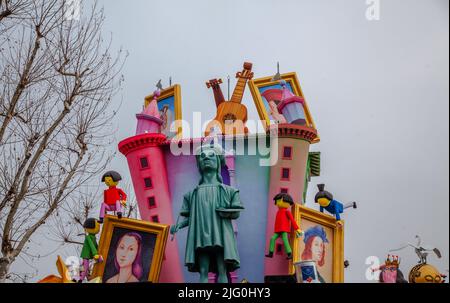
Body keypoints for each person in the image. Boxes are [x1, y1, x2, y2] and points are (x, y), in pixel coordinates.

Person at [170, 144, 244, 283]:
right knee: (203, 272)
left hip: (221, 235)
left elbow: (236, 212)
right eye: (202, 157)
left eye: (211, 156)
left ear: (217, 162)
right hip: (200, 237)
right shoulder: (191, 195)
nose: (206, 159)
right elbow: (191, 219)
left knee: (223, 271)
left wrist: (226, 212)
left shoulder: (229, 191)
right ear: (199, 165)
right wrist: (178, 225)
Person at [265, 193, 303, 260]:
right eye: (277, 201)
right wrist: (276, 229)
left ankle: (289, 254)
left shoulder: (287, 212)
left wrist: (297, 229)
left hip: (284, 229)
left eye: (280, 201)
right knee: (272, 238)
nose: (278, 203)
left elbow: (292, 220)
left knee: (285, 239)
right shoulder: (278, 211)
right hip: (278, 229)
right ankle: (271, 253)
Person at [79, 218, 102, 282]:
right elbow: (91, 245)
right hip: (86, 254)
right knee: (85, 267)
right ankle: (80, 279)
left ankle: (86, 277)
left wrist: (100, 250)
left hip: (88, 255)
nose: (99, 228)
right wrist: (95, 253)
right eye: (98, 226)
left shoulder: (93, 237)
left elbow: (95, 245)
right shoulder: (88, 237)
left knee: (85, 267)